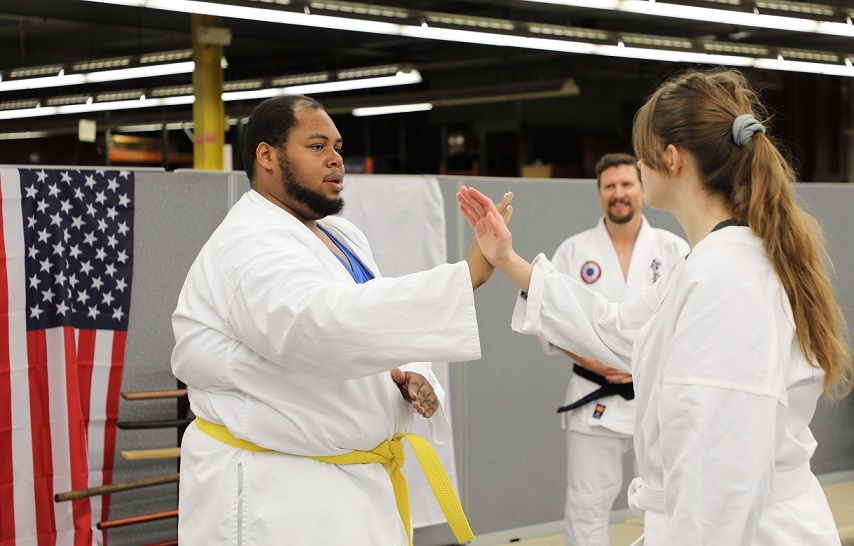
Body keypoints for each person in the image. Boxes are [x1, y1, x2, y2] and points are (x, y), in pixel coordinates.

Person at [457, 67, 852, 545]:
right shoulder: (709, 262)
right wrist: (508, 260)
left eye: (641, 156)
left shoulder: (726, 279)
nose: (636, 174)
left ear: (671, 157)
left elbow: (719, 474)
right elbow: (619, 327)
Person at [171, 94, 510, 545]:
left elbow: (371, 321)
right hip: (278, 494)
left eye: (338, 147)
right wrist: (464, 276)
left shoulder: (338, 233)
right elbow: (318, 330)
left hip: (349, 483)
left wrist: (411, 372)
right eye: (316, 147)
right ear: (267, 156)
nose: (335, 160)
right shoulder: (248, 244)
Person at [548, 153, 688, 546]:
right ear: (598, 195)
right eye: (610, 186)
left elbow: (689, 322)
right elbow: (553, 322)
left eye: (627, 184)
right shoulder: (574, 252)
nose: (619, 193)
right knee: (587, 503)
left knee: (669, 499)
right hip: (595, 395)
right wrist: (594, 359)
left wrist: (644, 363)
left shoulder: (674, 248)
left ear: (642, 189)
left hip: (656, 396)